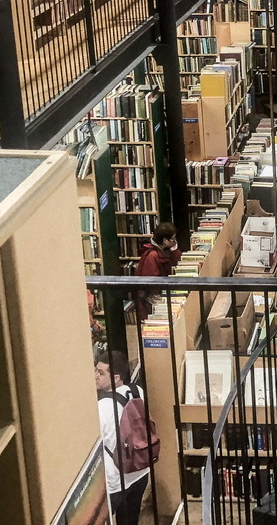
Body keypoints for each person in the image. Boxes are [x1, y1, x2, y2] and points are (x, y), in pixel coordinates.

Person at [96, 350, 149, 525]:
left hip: (117, 480)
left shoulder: (102, 407)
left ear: (116, 377)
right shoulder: (137, 390)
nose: (95, 376)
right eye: (96, 370)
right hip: (141, 469)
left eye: (101, 373)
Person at [135, 222, 181, 318]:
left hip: (163, 291)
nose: (175, 241)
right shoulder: (152, 256)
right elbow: (151, 284)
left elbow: (177, 264)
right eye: (173, 238)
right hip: (153, 299)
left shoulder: (165, 250)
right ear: (165, 240)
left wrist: (175, 250)